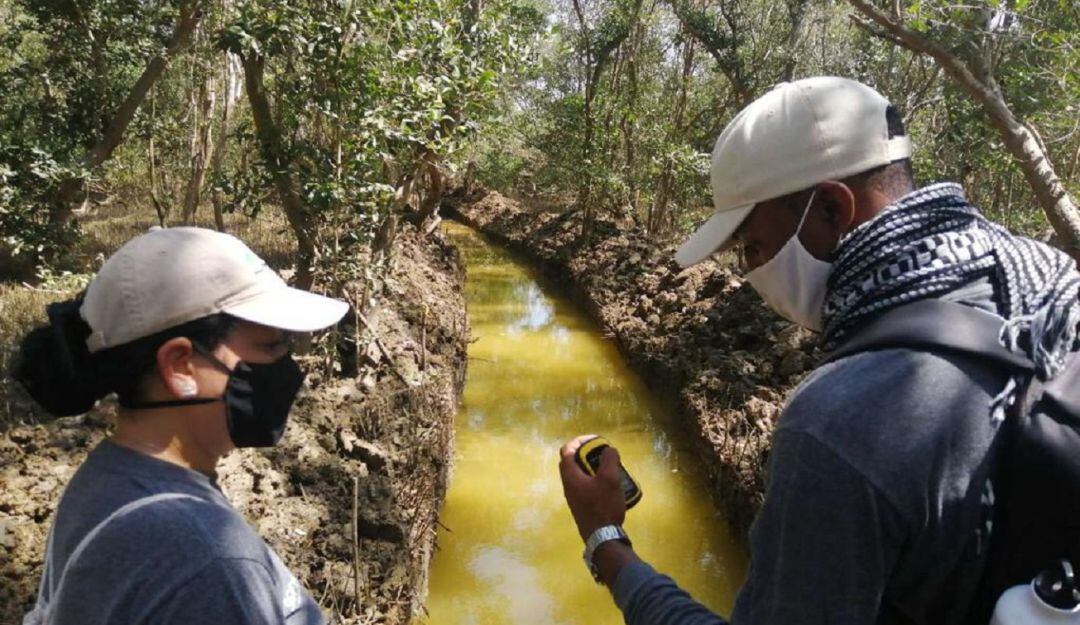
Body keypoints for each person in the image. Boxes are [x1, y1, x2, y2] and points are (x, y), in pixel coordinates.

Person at [558, 76, 1080, 625]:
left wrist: (606, 543)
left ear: (831, 207)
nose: (749, 270)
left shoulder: (840, 425)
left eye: (754, 246)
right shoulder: (1053, 286)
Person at [15, 227, 349, 625]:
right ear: (181, 366)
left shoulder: (105, 479)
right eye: (271, 346)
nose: (290, 368)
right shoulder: (205, 563)